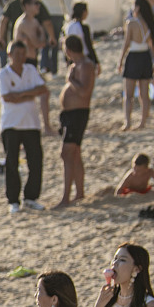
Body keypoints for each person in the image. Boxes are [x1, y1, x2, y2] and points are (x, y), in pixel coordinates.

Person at [0, 38, 50, 214]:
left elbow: (42, 89)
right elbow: (7, 97)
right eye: (17, 54)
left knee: (35, 161)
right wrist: (29, 94)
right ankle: (13, 200)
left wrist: (21, 94)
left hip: (31, 123)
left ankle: (31, 197)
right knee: (12, 162)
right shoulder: (4, 74)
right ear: (10, 54)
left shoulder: (30, 70)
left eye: (23, 53)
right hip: (11, 124)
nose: (20, 57)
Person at [56, 36, 96, 207]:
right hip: (70, 114)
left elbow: (84, 92)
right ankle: (79, 193)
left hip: (78, 114)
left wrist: (71, 80)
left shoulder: (85, 65)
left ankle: (66, 197)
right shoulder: (75, 66)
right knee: (75, 153)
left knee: (66, 153)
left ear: (68, 49)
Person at [120, 0, 154, 130]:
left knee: (129, 94)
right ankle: (143, 122)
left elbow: (126, 43)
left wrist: (120, 60)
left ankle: (128, 122)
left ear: (137, 8)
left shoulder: (131, 23)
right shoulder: (149, 23)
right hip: (145, 57)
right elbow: (152, 47)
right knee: (144, 94)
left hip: (133, 57)